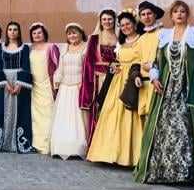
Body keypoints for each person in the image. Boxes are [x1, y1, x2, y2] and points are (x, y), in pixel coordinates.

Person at [134, 1, 194, 185]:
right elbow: (157, 61)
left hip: (186, 88)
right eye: (175, 12)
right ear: (171, 16)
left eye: (183, 11)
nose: (179, 14)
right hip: (166, 89)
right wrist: (154, 77)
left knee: (184, 126)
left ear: (187, 14)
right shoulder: (165, 35)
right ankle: (164, 172)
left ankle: (185, 173)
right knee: (163, 129)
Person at [86, 10, 151, 167]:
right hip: (117, 80)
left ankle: (129, 156)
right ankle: (108, 153)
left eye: (128, 24)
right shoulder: (121, 42)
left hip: (133, 80)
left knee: (130, 117)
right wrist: (113, 65)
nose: (125, 27)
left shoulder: (141, 40)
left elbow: (143, 60)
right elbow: (117, 60)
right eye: (122, 25)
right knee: (110, 114)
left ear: (134, 24)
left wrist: (136, 74)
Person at [0, 21, 34, 153]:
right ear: (6, 32)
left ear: (19, 32)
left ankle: (19, 142)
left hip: (19, 82)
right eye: (10, 29)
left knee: (21, 112)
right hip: (4, 82)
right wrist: (5, 83)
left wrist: (20, 84)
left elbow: (26, 66)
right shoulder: (0, 47)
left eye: (15, 29)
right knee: (1, 111)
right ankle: (3, 142)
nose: (12, 32)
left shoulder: (24, 48)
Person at [49, 23, 88, 160]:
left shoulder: (86, 47)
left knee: (77, 119)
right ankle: (61, 147)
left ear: (81, 34)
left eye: (75, 33)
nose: (72, 36)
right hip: (65, 88)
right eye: (69, 33)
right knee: (63, 117)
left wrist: (84, 84)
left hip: (78, 87)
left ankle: (77, 147)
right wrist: (57, 81)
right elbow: (60, 67)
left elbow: (87, 68)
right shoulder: (64, 48)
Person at [80, 9, 118, 143]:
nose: (107, 22)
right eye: (104, 19)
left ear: (114, 20)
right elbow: (88, 62)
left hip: (115, 79)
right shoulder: (94, 38)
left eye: (110, 19)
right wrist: (89, 83)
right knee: (100, 109)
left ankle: (111, 143)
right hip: (99, 80)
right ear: (100, 22)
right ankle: (98, 143)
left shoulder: (120, 38)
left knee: (113, 111)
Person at [28, 23, 60, 154]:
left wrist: (55, 84)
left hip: (47, 85)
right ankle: (37, 144)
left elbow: (57, 66)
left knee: (48, 114)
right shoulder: (30, 49)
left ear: (44, 33)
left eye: (39, 33)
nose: (37, 35)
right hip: (35, 86)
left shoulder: (51, 47)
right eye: (34, 33)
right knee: (36, 116)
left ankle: (49, 143)